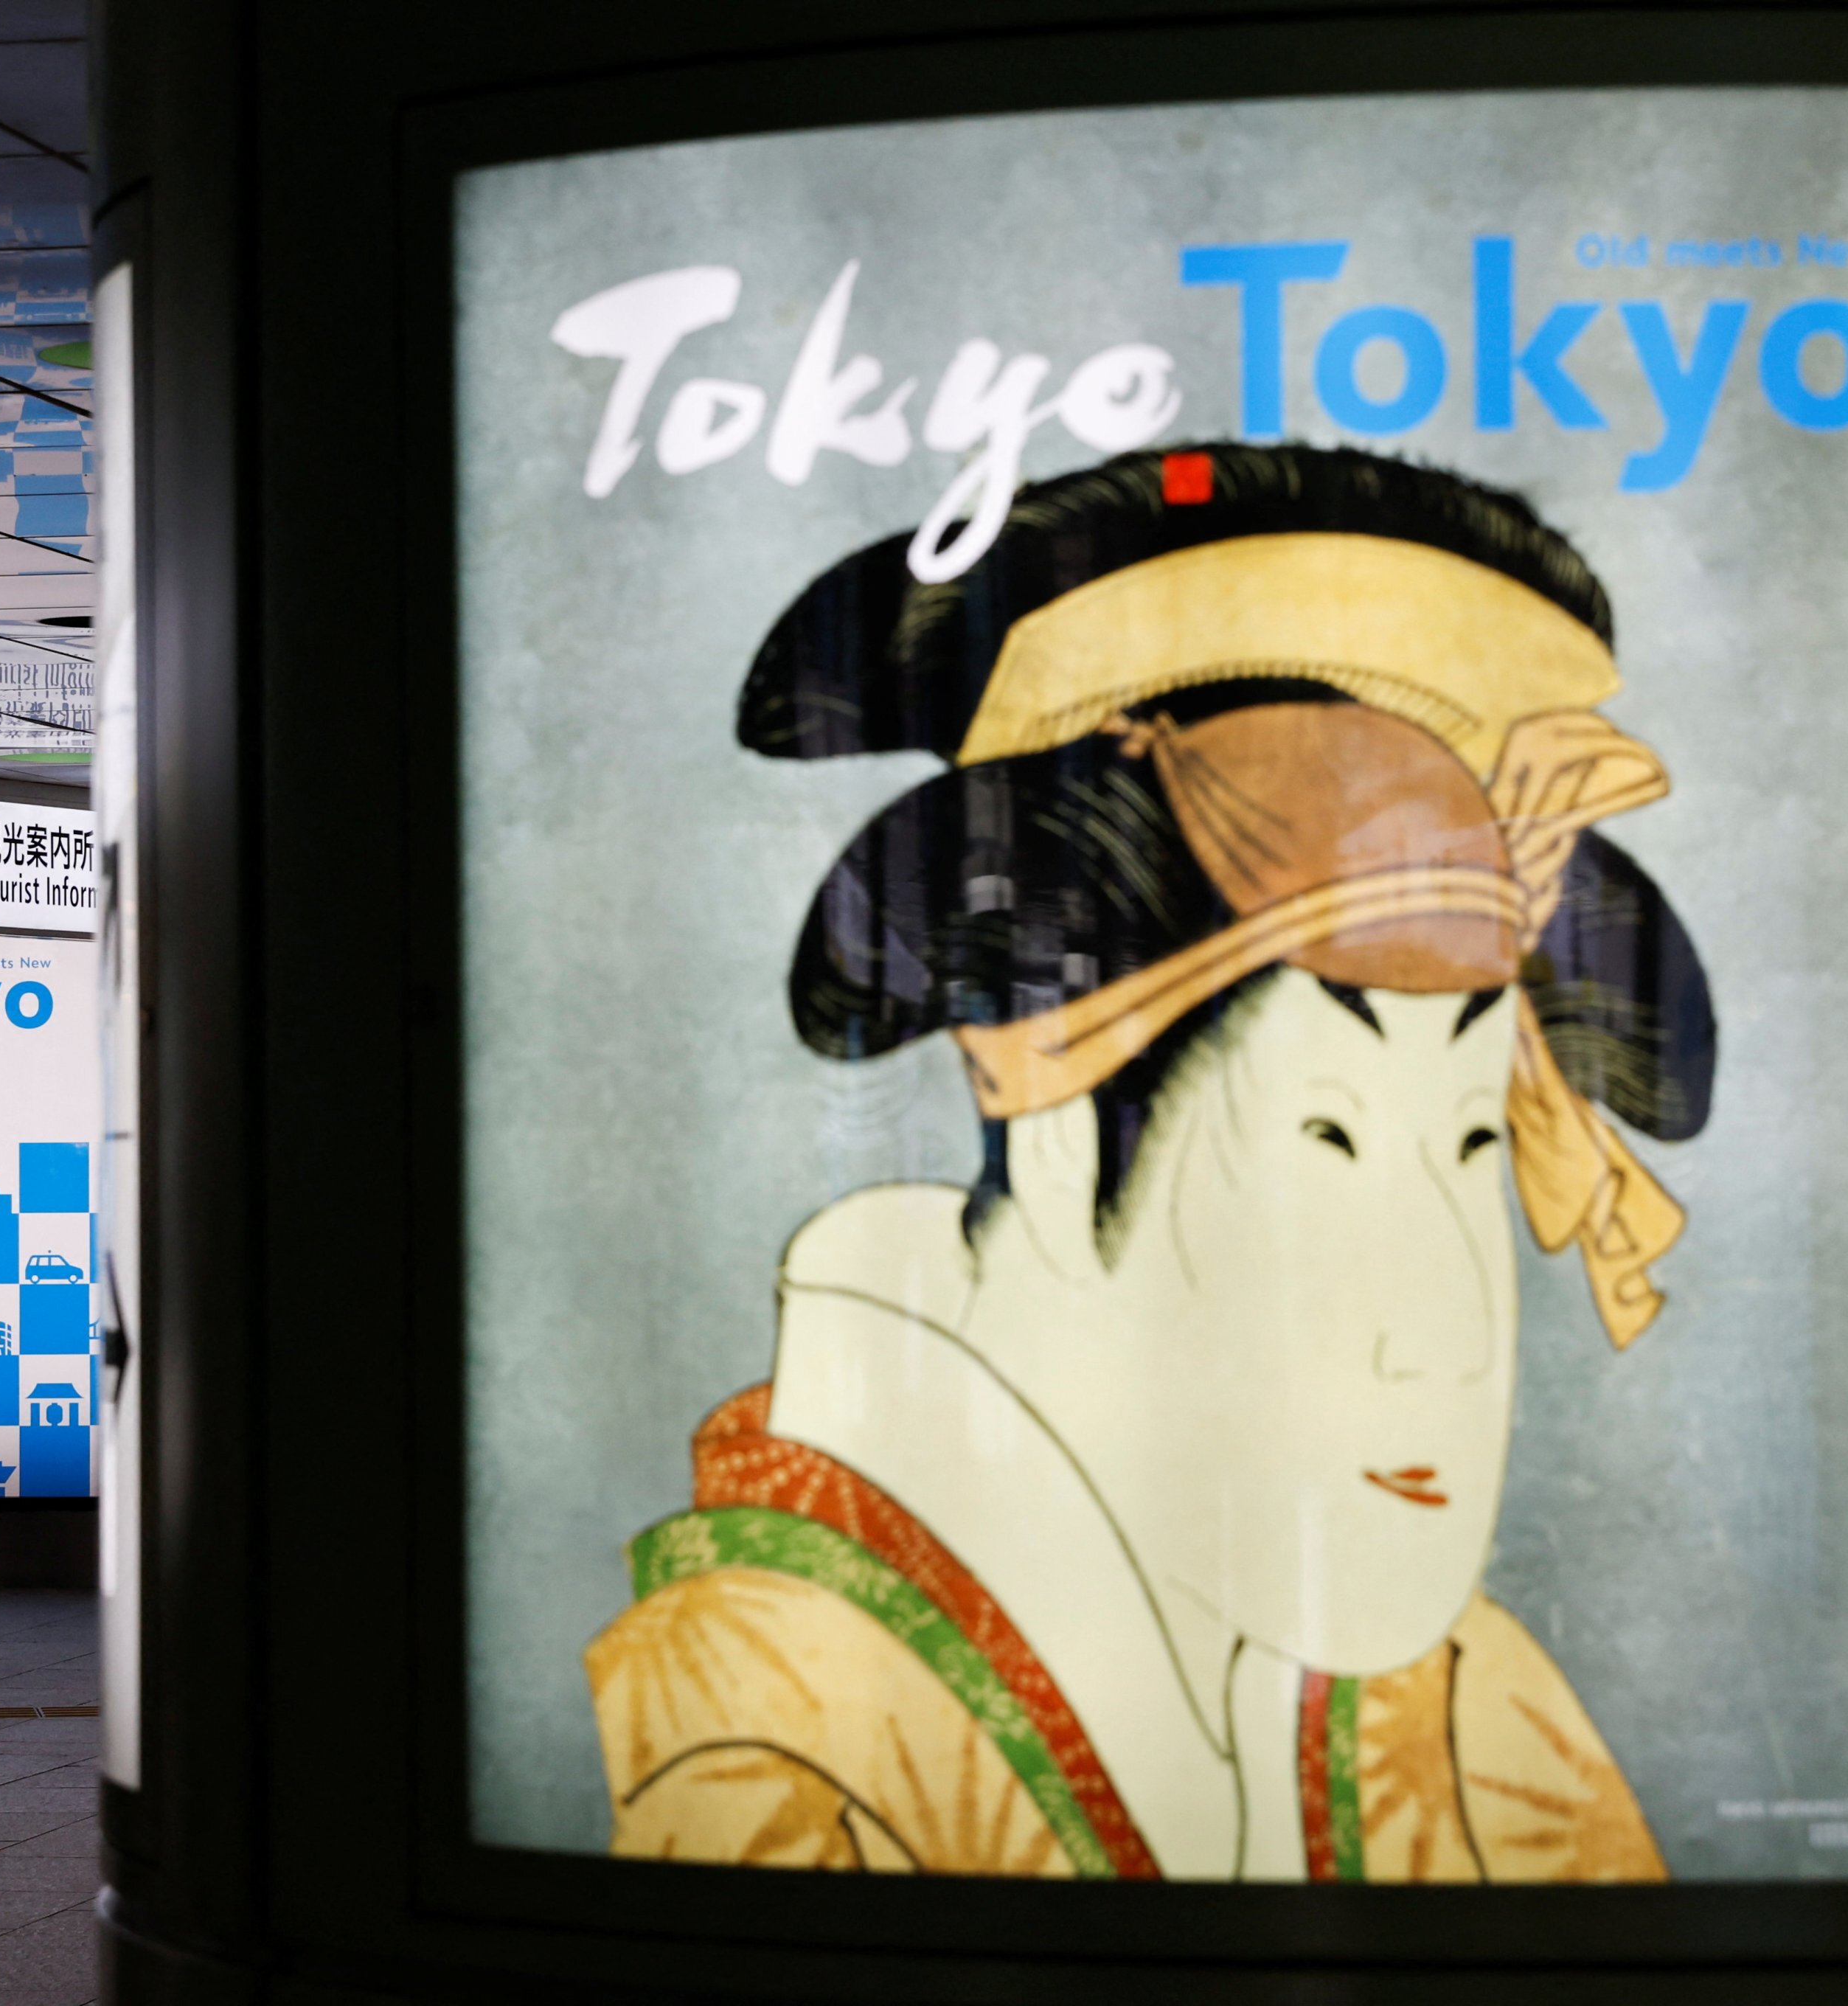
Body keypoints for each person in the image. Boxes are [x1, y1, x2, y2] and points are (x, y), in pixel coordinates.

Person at [588, 444, 1716, 1881]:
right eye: (1329, 1134)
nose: (1444, 1328)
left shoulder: (1478, 1722)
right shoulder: (770, 1739)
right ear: (1057, 1140)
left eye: (1474, 1140)